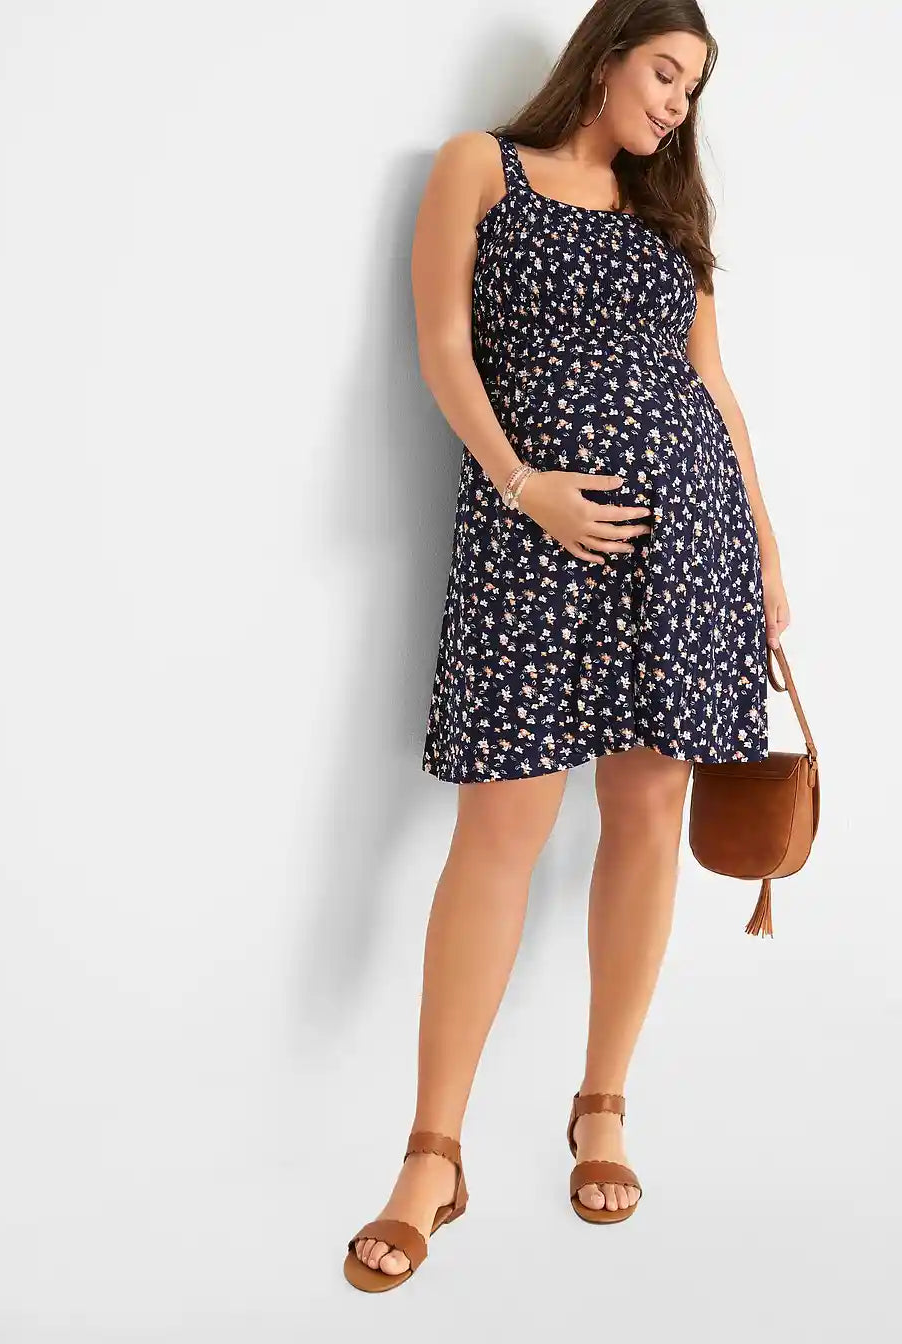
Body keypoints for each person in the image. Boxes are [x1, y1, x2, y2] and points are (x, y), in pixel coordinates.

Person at [343, 0, 790, 1292]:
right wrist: (524, 484)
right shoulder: (482, 167)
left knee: (646, 814)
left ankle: (603, 1106)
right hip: (531, 543)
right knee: (501, 830)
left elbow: (713, 387)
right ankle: (434, 1155)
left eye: (694, 90)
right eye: (667, 73)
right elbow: (443, 348)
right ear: (606, 56)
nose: (678, 104)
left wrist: (765, 550)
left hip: (686, 550)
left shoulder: (671, 218)